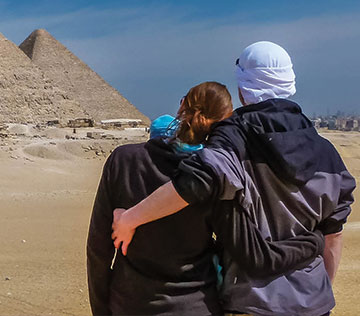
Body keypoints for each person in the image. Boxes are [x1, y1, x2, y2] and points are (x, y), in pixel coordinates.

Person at [111, 42, 356, 316]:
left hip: (252, 302)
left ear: (243, 88)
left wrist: (130, 218)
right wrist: (320, 291)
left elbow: (193, 185)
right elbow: (333, 235)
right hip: (314, 302)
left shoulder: (235, 136)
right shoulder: (327, 153)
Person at [88, 81, 324, 315]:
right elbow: (250, 253)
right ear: (225, 123)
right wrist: (315, 242)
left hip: (129, 303)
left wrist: (102, 309)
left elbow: (98, 248)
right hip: (195, 305)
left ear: (182, 107)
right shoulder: (218, 178)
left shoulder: (122, 160)